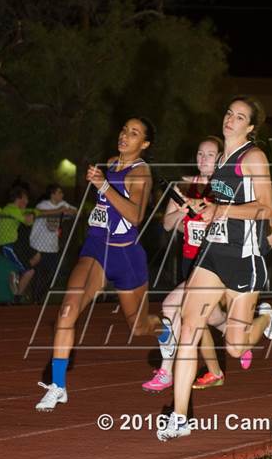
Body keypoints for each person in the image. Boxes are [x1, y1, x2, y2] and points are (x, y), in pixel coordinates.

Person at [157, 95, 272, 441]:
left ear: (251, 127)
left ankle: (266, 317)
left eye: (240, 117)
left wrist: (221, 211)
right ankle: (180, 417)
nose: (231, 119)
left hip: (244, 259)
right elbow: (222, 203)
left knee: (236, 348)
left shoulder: (253, 157)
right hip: (213, 255)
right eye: (229, 113)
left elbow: (264, 208)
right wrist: (205, 204)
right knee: (189, 325)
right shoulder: (222, 157)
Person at [35, 117, 175, 411]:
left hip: (126, 256)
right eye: (124, 130)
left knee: (138, 327)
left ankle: (164, 332)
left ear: (145, 144)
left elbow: (135, 216)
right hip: (97, 248)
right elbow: (105, 202)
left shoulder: (142, 173)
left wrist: (104, 186)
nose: (125, 135)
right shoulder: (111, 162)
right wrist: (100, 184)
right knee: (67, 311)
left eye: (134, 133)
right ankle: (58, 386)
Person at [142, 136, 228, 393]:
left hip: (215, 265)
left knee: (171, 306)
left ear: (221, 158)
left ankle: (167, 372)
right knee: (209, 318)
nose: (203, 159)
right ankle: (237, 336)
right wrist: (182, 209)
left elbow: (228, 218)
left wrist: (204, 206)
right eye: (200, 154)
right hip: (190, 264)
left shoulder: (225, 188)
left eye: (210, 155)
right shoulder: (184, 186)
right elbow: (168, 225)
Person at [0, 186, 65, 301]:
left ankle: (17, 277)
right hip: (8, 246)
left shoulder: (16, 210)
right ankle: (17, 296)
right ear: (19, 199)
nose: (27, 201)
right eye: (26, 198)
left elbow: (38, 212)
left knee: (36, 256)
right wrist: (32, 215)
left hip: (15, 245)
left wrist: (57, 211)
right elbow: (28, 221)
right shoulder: (11, 210)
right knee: (29, 271)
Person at [29, 184, 77, 303]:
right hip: (38, 246)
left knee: (54, 273)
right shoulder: (43, 204)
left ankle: (38, 298)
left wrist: (68, 211)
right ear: (53, 194)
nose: (62, 195)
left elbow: (76, 212)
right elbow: (40, 212)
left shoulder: (63, 204)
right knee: (38, 273)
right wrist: (60, 211)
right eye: (59, 192)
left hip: (52, 247)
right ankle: (34, 299)